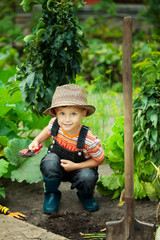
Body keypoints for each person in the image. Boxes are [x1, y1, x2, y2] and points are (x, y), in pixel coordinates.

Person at [29, 84, 105, 213]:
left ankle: (85, 195)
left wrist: (75, 166)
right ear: (56, 114)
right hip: (57, 166)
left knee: (88, 177)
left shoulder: (89, 140)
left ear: (83, 114)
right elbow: (47, 131)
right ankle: (51, 194)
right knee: (49, 162)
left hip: (79, 170)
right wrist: (36, 141)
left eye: (73, 114)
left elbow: (99, 160)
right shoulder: (55, 124)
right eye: (62, 114)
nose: (67, 120)